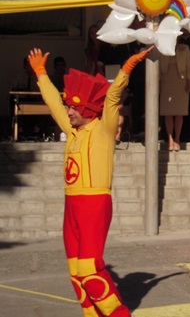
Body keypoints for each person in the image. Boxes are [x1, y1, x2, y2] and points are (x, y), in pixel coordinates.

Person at [27, 45, 149, 317]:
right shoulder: (72, 130)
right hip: (71, 205)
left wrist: (126, 69)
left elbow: (113, 96)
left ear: (88, 108)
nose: (69, 112)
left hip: (94, 204)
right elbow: (54, 103)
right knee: (75, 272)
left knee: (90, 270)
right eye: (69, 107)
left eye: (74, 107)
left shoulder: (103, 129)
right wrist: (41, 74)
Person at [160, 37, 190, 151]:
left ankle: (177, 138)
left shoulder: (184, 49)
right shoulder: (162, 49)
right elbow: (158, 67)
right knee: (167, 112)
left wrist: (189, 83)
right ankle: (170, 139)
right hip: (166, 82)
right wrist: (158, 83)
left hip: (181, 82)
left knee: (179, 112)